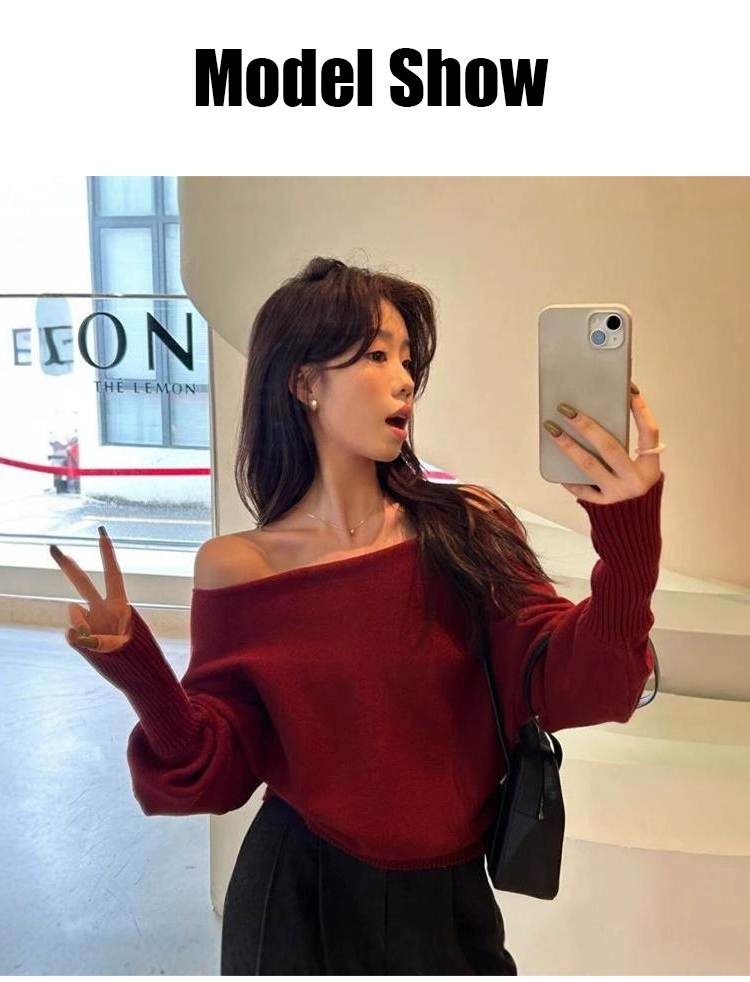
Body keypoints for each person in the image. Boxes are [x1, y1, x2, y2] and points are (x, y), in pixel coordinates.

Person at [50, 256, 666, 975]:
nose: (404, 379)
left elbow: (583, 679)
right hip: (297, 898)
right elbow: (215, 764)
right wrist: (138, 668)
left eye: (407, 359)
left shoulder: (466, 528)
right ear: (304, 382)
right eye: (377, 355)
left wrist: (627, 537)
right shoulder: (240, 566)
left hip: (446, 902)